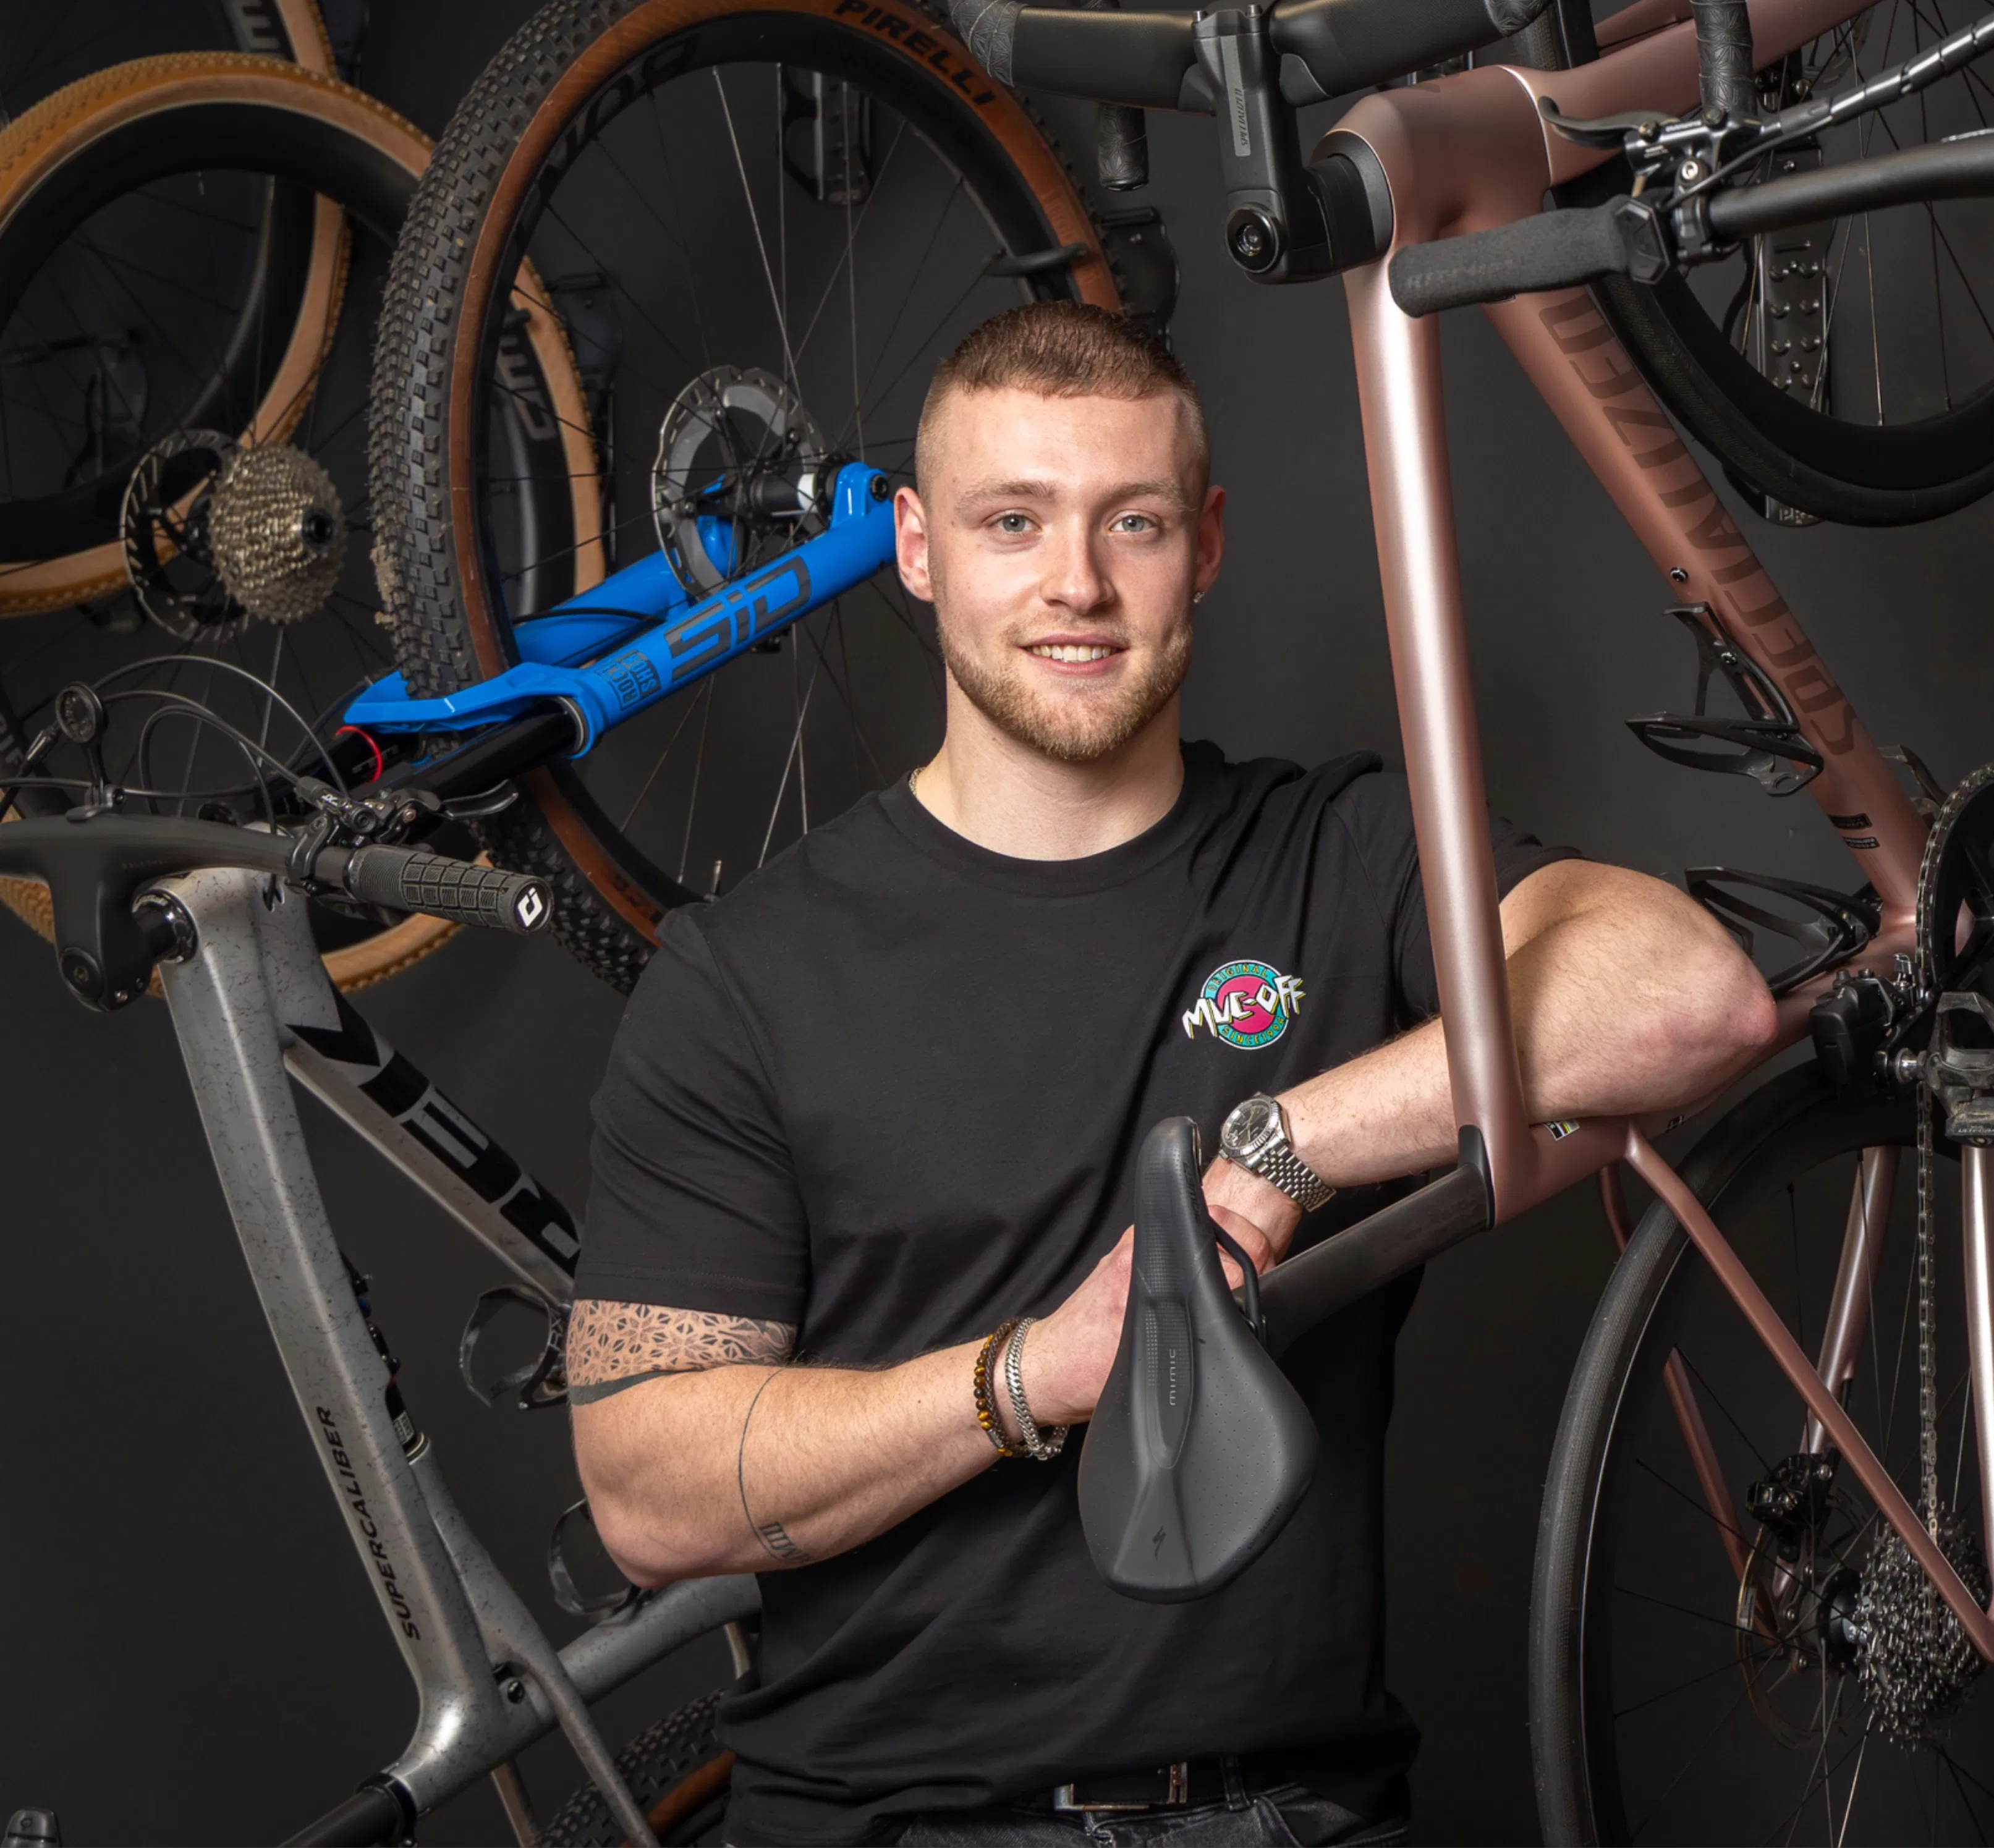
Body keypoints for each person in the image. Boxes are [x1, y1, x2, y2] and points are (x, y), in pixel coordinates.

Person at [562, 301, 1775, 1844]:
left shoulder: (1342, 858)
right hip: (888, 1828)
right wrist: (1021, 1380)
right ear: (919, 549)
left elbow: (1691, 1000)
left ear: (1202, 544)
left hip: (1286, 1816)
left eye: (1127, 521)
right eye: (1014, 522)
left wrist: (1281, 1149)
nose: (1076, 582)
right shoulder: (741, 977)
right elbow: (650, 1492)